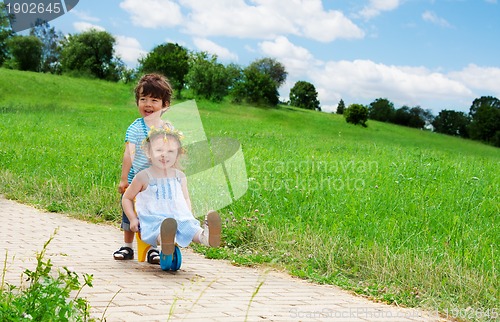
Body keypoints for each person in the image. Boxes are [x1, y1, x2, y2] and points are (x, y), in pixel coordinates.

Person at [122, 127, 222, 270]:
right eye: (159, 150)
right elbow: (127, 198)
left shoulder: (179, 176)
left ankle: (206, 237)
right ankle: (166, 241)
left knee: (189, 227)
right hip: (153, 218)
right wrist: (132, 218)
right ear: (148, 152)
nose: (164, 155)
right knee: (160, 227)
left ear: (178, 154)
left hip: (178, 216)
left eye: (170, 151)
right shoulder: (143, 176)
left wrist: (189, 214)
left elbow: (186, 198)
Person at [113, 73, 174, 263]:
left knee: (155, 214)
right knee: (129, 212)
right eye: (143, 99)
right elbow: (128, 154)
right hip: (136, 181)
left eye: (154, 100)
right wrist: (124, 179)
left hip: (158, 182)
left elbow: (174, 151)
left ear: (165, 105)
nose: (148, 104)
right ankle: (127, 246)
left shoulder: (167, 128)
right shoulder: (135, 127)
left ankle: (153, 248)